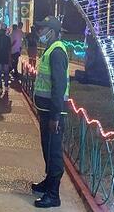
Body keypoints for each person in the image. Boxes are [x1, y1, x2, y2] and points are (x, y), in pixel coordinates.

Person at [31, 16, 69, 208]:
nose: (39, 33)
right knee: (47, 148)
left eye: (42, 29)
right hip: (46, 110)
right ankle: (48, 183)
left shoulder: (57, 52)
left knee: (54, 152)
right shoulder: (50, 49)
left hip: (54, 114)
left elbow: (59, 86)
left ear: (51, 32)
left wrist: (55, 116)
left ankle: (53, 195)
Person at [0, 23, 11, 93]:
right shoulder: (8, 38)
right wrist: (10, 59)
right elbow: (9, 50)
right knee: (6, 73)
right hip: (6, 57)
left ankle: (0, 88)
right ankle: (6, 86)